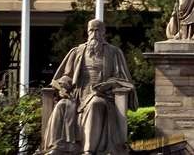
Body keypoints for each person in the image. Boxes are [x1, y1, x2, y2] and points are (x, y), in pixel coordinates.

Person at [47, 19, 135, 155]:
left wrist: (109, 84)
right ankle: (59, 146)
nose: (94, 34)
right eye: (91, 30)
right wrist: (64, 84)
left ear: (104, 32)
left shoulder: (113, 52)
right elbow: (67, 75)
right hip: (78, 95)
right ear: (87, 32)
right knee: (62, 105)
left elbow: (123, 79)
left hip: (103, 95)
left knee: (95, 104)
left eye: (98, 30)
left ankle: (89, 149)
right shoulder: (77, 51)